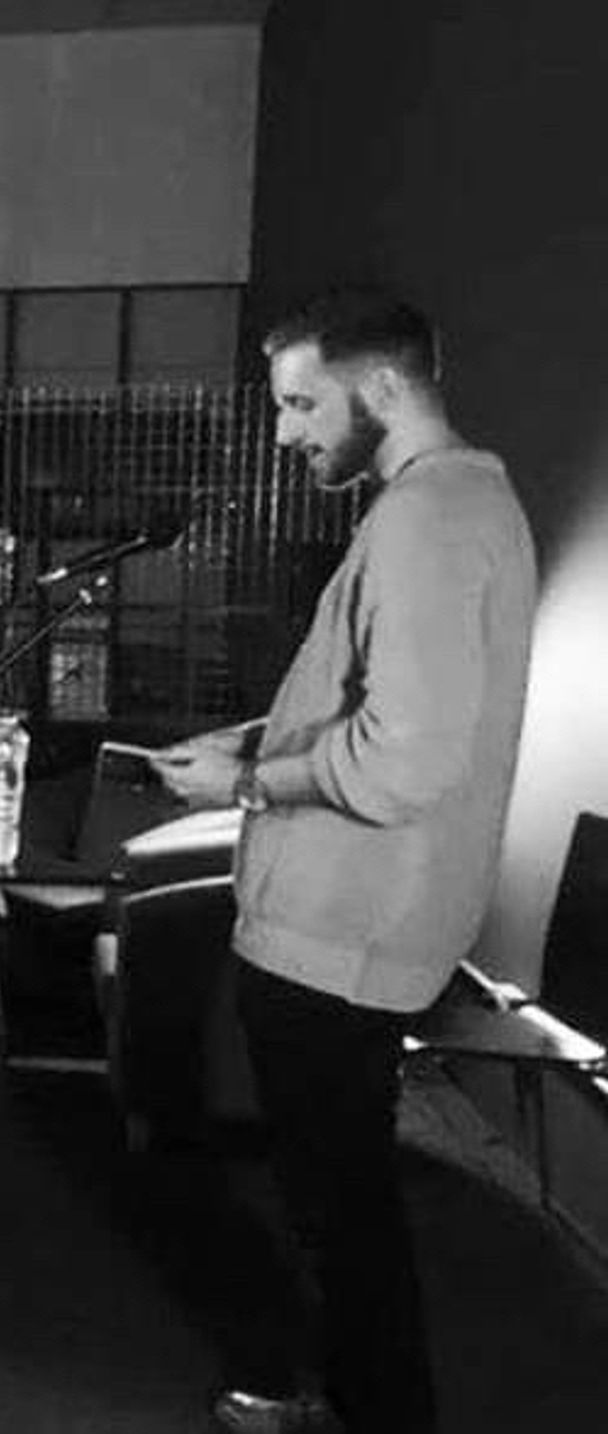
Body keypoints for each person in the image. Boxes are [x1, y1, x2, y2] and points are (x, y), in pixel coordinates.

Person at [152, 290, 536, 1434]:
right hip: (361, 929)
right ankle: (357, 1399)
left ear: (378, 389)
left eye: (299, 403)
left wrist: (246, 784)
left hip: (339, 937)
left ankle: (375, 1413)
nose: (283, 432)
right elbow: (388, 711)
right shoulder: (460, 503)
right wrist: (256, 741)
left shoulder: (423, 521)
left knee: (340, 1215)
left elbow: (404, 760)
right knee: (340, 1210)